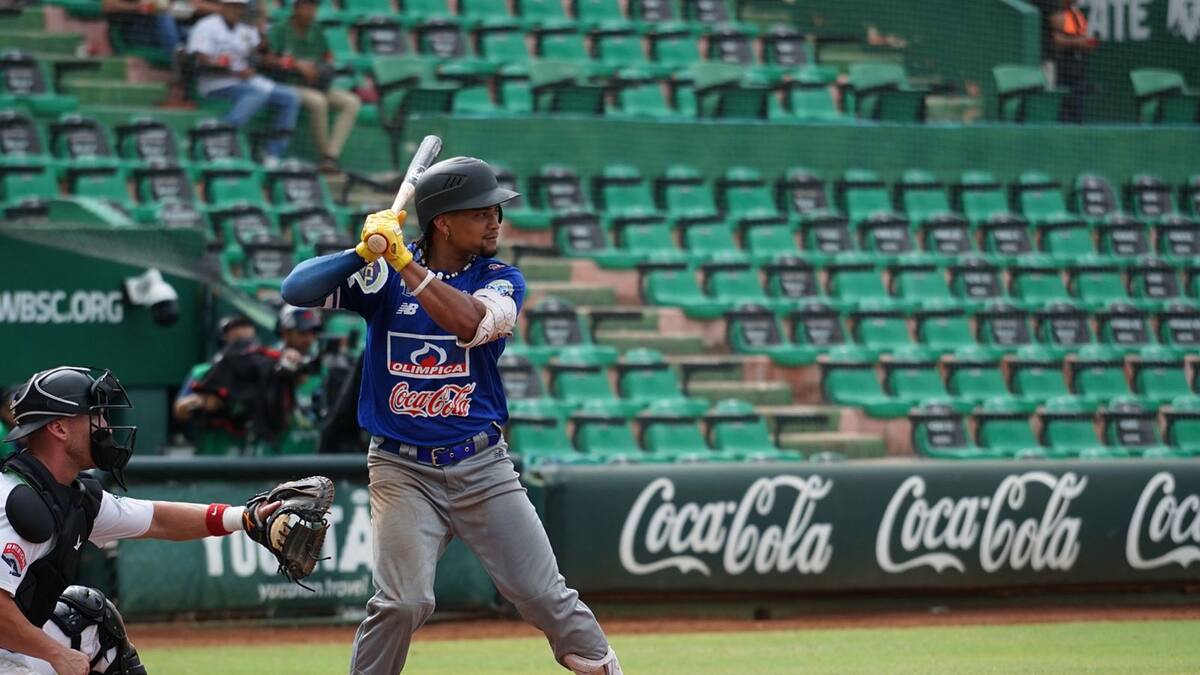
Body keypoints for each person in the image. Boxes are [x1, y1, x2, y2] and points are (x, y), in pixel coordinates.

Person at [280, 157, 623, 674]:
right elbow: (295, 290)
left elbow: (469, 321)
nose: (495, 222)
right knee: (402, 603)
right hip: (401, 469)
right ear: (443, 221)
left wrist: (403, 263)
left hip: (481, 465)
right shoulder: (383, 274)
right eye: (481, 213)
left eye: (496, 212)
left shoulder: (500, 278)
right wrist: (361, 252)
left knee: (544, 596)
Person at [0, 366, 282, 675]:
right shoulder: (15, 502)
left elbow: (157, 519)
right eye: (95, 415)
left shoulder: (68, 495)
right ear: (59, 428)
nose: (105, 426)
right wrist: (56, 653)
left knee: (90, 618)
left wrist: (244, 518)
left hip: (10, 647)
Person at [186, 0, 301, 162]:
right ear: (224, 6)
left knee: (290, 97)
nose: (237, 10)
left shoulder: (246, 28)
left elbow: (257, 54)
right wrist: (235, 72)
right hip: (217, 83)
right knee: (257, 93)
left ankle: (272, 155)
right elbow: (201, 62)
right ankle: (219, 136)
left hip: (246, 81)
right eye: (233, 6)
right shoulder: (207, 25)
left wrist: (261, 26)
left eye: (240, 7)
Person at [264, 0, 362, 172]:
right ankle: (326, 157)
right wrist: (295, 65)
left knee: (351, 102)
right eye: (307, 6)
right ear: (296, 7)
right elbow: (267, 59)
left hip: (315, 84)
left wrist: (320, 70)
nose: (311, 11)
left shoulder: (316, 30)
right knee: (318, 102)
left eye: (313, 7)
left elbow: (327, 59)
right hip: (288, 83)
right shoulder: (280, 29)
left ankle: (331, 155)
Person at [1049, 0, 1098, 123]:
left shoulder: (1075, 13)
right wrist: (1079, 42)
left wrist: (1086, 43)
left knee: (1077, 116)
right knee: (1061, 116)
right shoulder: (1053, 8)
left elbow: (1089, 41)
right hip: (1060, 72)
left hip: (1078, 73)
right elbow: (1057, 40)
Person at [101, 0, 182, 64]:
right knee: (163, 16)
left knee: (185, 31)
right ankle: (178, 62)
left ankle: (184, 61)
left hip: (158, 29)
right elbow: (107, 5)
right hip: (131, 31)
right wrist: (137, 6)